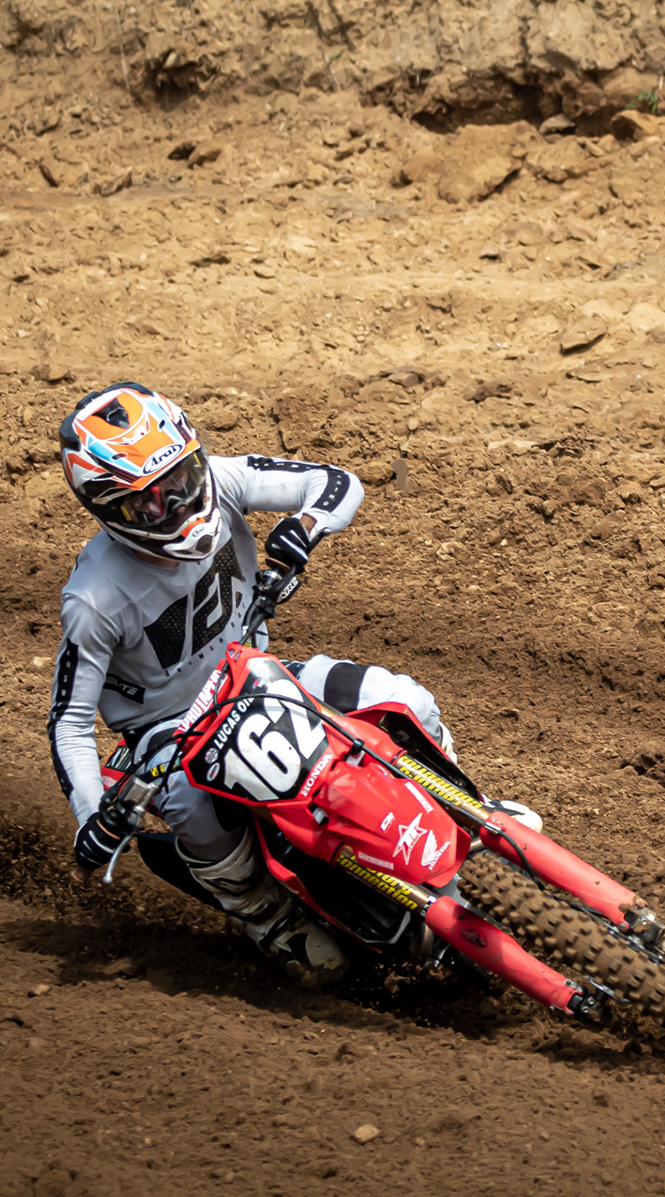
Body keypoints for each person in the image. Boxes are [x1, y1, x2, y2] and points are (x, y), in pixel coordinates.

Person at [46, 381, 530, 985]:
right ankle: (262, 911)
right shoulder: (93, 598)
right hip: (168, 732)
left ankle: (456, 810)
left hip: (257, 674)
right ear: (107, 508)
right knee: (195, 812)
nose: (175, 505)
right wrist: (91, 817)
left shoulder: (224, 482)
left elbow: (335, 481)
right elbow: (68, 721)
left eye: (182, 480)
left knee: (406, 701)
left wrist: (305, 525)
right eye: (147, 503)